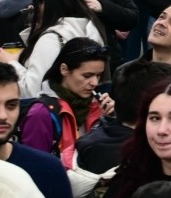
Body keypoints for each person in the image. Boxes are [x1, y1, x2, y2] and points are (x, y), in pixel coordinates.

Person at [15, 36, 113, 167]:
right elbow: (34, 167)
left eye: (98, 75)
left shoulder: (98, 106)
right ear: (64, 70)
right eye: (87, 76)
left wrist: (114, 121)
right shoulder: (41, 114)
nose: (95, 83)